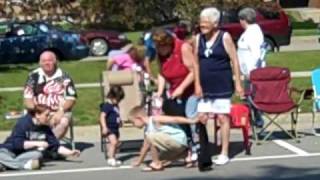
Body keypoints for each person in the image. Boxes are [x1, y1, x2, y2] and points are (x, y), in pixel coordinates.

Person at [193, 7, 244, 166]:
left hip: (221, 82)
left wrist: (238, 83)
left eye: (206, 22)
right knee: (201, 118)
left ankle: (224, 152)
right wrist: (197, 83)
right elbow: (195, 62)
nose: (203, 25)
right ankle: (202, 148)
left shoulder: (225, 37)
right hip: (204, 83)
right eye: (201, 22)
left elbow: (234, 60)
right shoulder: (197, 39)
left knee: (222, 117)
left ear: (215, 23)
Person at [152, 28, 197, 167]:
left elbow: (194, 71)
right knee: (178, 120)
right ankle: (185, 150)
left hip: (191, 90)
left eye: (162, 47)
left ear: (168, 44)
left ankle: (196, 150)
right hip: (174, 91)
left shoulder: (182, 48)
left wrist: (182, 88)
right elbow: (161, 73)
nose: (159, 51)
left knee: (190, 118)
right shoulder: (160, 54)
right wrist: (160, 91)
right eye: (157, 48)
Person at [0, 105, 80, 171]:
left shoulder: (45, 127)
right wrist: (38, 143)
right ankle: (26, 166)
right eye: (47, 115)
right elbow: (17, 144)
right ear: (37, 115)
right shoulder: (23, 123)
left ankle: (5, 165)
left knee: (38, 154)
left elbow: (55, 146)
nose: (49, 117)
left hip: (23, 155)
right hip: (8, 150)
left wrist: (70, 152)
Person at [23, 51, 77, 139]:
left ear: (55, 61)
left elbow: (71, 98)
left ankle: (48, 145)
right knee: (27, 122)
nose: (47, 63)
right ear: (39, 63)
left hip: (59, 111)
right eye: (44, 61)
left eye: (50, 60)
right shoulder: (33, 76)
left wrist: (61, 111)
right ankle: (41, 145)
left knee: (63, 122)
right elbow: (27, 99)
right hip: (37, 112)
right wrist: (38, 112)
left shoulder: (64, 76)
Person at [128, 105, 199, 172]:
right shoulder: (147, 130)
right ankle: (186, 154)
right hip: (174, 145)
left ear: (139, 118)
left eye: (133, 122)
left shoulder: (155, 119)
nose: (133, 125)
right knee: (160, 159)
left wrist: (192, 121)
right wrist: (139, 161)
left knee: (151, 137)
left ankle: (156, 164)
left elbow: (174, 119)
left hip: (178, 140)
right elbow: (145, 147)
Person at [237, 7, 265, 127]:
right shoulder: (249, 32)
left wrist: (252, 71)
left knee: (252, 98)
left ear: (243, 20)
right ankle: (254, 121)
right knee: (249, 98)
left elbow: (256, 54)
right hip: (248, 73)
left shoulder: (253, 33)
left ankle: (258, 121)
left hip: (252, 73)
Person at [99, 86, 125, 167]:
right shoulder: (107, 106)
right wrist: (104, 127)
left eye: (119, 100)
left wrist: (119, 120)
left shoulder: (116, 105)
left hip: (115, 128)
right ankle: (110, 158)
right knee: (113, 142)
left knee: (115, 143)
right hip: (109, 128)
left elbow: (116, 114)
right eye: (117, 99)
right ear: (111, 96)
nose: (118, 101)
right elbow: (102, 116)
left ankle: (113, 157)